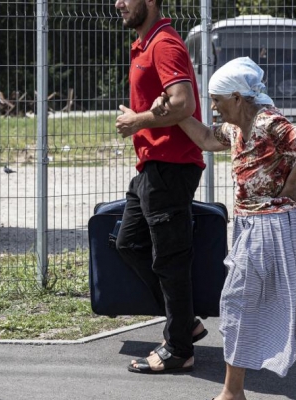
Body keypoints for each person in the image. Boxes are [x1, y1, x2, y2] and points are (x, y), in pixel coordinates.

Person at [144, 57, 296, 400]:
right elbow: (207, 139)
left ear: (237, 98)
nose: (214, 106)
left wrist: (292, 183)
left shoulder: (268, 123)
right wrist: (174, 115)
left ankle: (232, 393)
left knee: (237, 303)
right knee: (295, 303)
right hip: (264, 225)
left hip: (273, 226)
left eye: (217, 99)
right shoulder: (239, 128)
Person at [112, 0, 208, 374]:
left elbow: (184, 103)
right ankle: (184, 323)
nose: (118, 2)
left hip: (171, 166)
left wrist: (138, 120)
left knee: (171, 260)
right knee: (128, 243)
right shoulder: (144, 43)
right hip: (151, 168)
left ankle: (180, 348)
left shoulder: (165, 44)